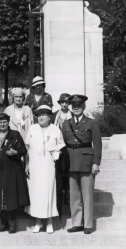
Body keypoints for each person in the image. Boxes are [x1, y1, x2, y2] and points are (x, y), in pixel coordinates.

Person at [61, 94, 102, 235]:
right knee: (74, 195)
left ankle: (88, 224)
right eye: (74, 105)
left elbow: (97, 143)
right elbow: (62, 143)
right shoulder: (66, 123)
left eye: (79, 105)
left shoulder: (91, 123)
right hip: (71, 163)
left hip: (86, 163)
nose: (76, 107)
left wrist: (96, 163)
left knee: (88, 195)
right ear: (71, 108)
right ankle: (77, 223)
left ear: (84, 107)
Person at [25, 105, 65, 234]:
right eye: (39, 115)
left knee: (49, 192)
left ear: (49, 117)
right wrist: (26, 164)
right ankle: (37, 222)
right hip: (35, 165)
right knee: (36, 193)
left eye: (44, 115)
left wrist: (58, 152)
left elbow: (61, 145)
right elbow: (27, 149)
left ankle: (49, 223)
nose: (41, 117)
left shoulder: (55, 129)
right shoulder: (32, 128)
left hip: (49, 165)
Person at [0, 113, 30, 234]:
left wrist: (15, 152)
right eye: (0, 122)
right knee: (0, 197)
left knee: (11, 197)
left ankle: (12, 223)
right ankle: (3, 223)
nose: (2, 124)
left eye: (4, 122)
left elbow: (23, 149)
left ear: (8, 123)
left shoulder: (15, 134)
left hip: (12, 171)